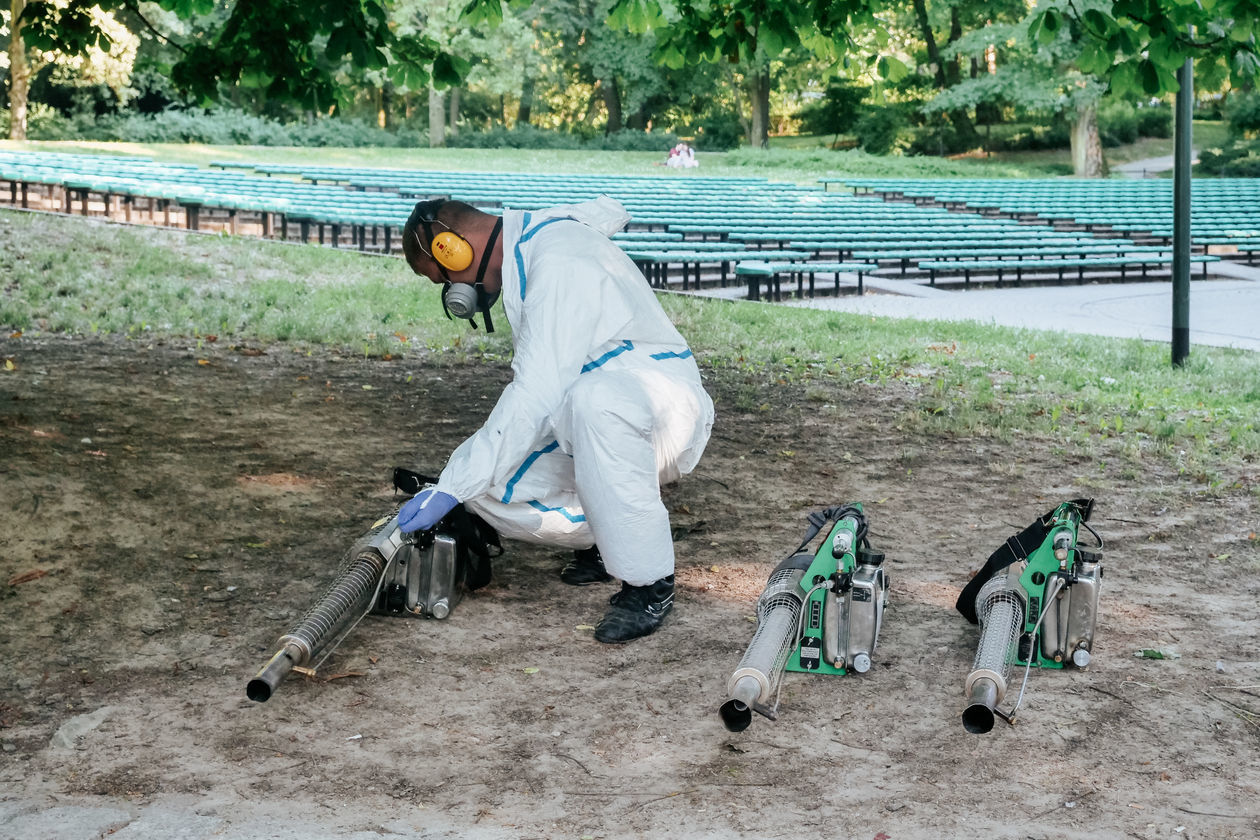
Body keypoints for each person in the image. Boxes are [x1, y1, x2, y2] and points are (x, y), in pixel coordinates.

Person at [397, 196, 715, 643]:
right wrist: (455, 485)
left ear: (455, 248)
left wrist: (454, 481)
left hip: (661, 411)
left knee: (594, 401)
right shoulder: (531, 254)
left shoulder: (559, 258)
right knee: (482, 484)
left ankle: (648, 584)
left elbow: (535, 392)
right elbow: (541, 399)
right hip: (593, 415)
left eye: (444, 278)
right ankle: (606, 542)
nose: (454, 293)